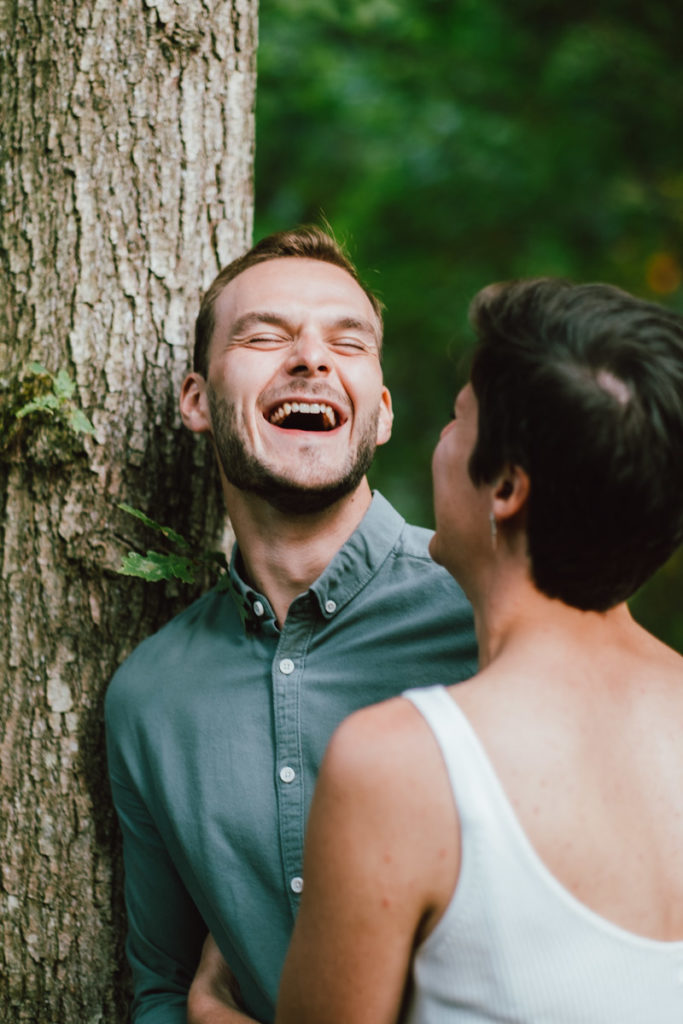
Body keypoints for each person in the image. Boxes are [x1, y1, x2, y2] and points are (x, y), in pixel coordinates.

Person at [190, 278, 683, 1023]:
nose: (440, 443)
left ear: (507, 487)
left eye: (458, 420)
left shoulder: (401, 764)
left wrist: (210, 1009)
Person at [104, 226, 477, 1024]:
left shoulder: (490, 613)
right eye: (265, 335)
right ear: (196, 401)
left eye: (347, 342)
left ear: (377, 414)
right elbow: (164, 990)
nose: (311, 358)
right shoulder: (149, 697)